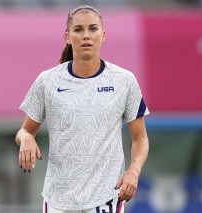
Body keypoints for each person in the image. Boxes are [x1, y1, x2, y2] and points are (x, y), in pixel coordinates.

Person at [15, 5, 149, 213]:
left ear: (103, 36)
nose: (86, 35)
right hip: (58, 199)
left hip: (106, 197)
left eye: (93, 29)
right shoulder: (47, 81)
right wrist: (26, 139)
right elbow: (25, 130)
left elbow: (140, 138)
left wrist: (134, 170)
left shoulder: (124, 80)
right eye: (78, 30)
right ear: (67, 36)